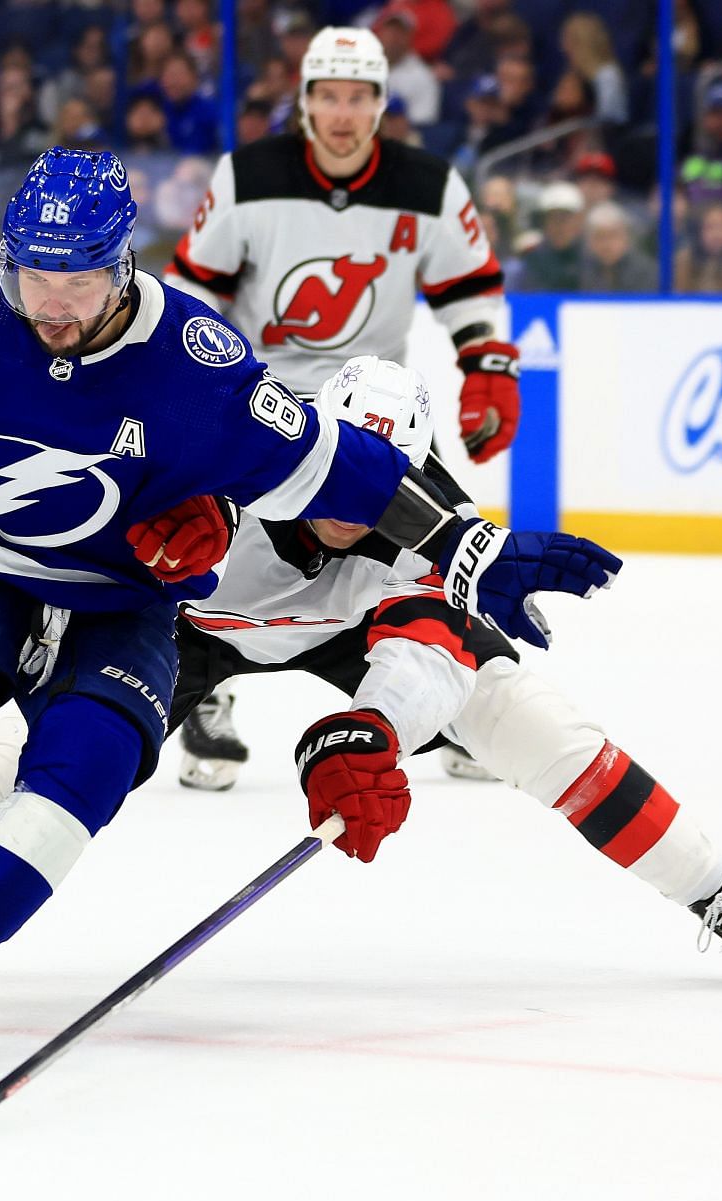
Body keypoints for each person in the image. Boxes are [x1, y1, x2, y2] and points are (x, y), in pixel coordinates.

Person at [0, 147, 621, 1065]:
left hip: (124, 599)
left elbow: (334, 464)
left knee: (90, 764)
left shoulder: (197, 365)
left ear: (122, 266)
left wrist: (469, 546)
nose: (53, 304)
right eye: (35, 275)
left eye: (77, 279)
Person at [0, 357, 722, 1077]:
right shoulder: (229, 470)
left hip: (351, 633)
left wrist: (364, 734)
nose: (351, 508)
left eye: (386, 488)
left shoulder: (432, 528)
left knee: (551, 736)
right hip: (186, 626)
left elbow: (428, 657)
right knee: (20, 765)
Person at [162, 26, 522, 788]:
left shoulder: (428, 184)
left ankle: (450, 697)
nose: (342, 113)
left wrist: (488, 364)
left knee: (447, 553)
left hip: (376, 417)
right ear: (305, 102)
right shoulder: (248, 174)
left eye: (358, 98)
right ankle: (206, 689)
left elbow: (471, 286)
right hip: (264, 407)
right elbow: (196, 286)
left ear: (381, 104)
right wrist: (189, 385)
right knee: (213, 555)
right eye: (328, 96)